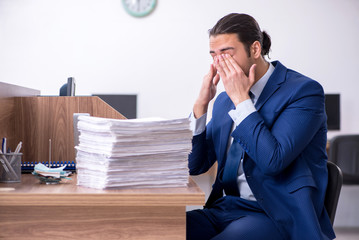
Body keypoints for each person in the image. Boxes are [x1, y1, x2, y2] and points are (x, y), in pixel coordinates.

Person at [187, 13, 335, 240]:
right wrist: (201, 105)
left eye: (226, 53)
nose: (219, 63)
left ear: (255, 50)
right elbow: (195, 165)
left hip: (275, 214)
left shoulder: (303, 92)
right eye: (214, 55)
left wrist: (242, 101)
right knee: (156, 230)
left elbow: (273, 160)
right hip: (224, 208)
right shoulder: (225, 100)